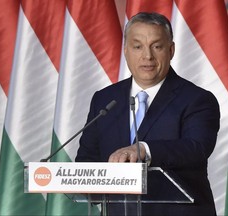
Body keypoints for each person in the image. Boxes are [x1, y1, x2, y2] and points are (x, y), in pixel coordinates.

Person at [76, 12, 220, 215]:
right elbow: (86, 161)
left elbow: (196, 148)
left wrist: (144, 150)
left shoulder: (197, 99)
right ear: (125, 51)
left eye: (157, 46)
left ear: (171, 50)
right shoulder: (104, 99)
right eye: (137, 46)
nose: (147, 56)